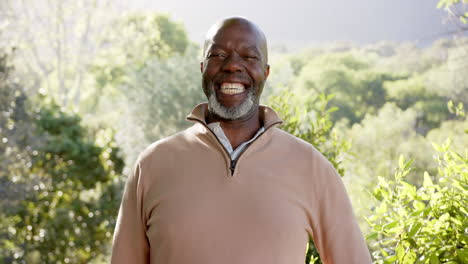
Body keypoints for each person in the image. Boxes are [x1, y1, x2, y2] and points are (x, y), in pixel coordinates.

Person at [111, 17, 372, 264]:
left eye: (248, 57)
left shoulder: (311, 166)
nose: (233, 65)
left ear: (265, 73)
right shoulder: (153, 164)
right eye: (218, 55)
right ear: (203, 68)